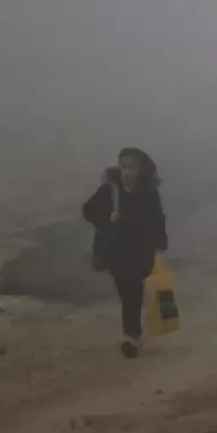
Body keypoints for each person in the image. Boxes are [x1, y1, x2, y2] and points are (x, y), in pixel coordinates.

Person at [83, 147, 168, 358]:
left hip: (141, 249)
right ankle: (133, 333)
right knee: (126, 289)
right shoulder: (110, 189)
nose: (126, 171)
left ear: (141, 169)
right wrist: (106, 217)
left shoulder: (149, 191)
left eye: (131, 166)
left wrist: (159, 243)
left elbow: (157, 218)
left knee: (133, 287)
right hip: (116, 250)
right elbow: (88, 210)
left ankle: (132, 334)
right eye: (123, 166)